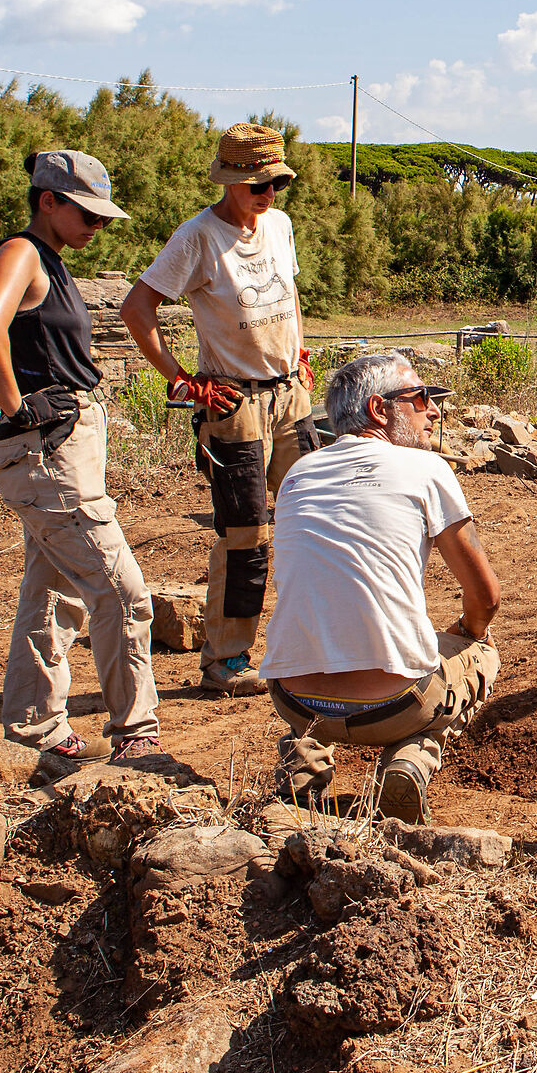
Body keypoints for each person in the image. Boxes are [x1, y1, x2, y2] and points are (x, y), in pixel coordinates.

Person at [0, 150, 161, 762]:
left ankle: (36, 730)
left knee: (54, 592)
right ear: (47, 201)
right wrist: (17, 408)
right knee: (122, 592)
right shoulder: (21, 253)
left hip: (63, 445)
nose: (96, 227)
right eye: (87, 215)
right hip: (48, 449)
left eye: (103, 218)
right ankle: (136, 735)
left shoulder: (50, 259)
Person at [120, 123, 317, 696]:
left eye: (277, 183)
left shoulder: (279, 225)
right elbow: (137, 309)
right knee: (246, 533)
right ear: (231, 181)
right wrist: (183, 380)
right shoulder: (197, 237)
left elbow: (289, 293)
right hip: (234, 402)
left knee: (317, 512)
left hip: (290, 393)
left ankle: (315, 642)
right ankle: (226, 660)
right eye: (259, 184)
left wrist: (299, 349)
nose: (269, 193)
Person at [261, 352, 501, 821]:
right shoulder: (426, 469)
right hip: (396, 707)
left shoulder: (296, 475)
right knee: (483, 654)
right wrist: (470, 632)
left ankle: (303, 762)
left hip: (294, 701)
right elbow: (487, 597)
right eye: (421, 398)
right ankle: (412, 758)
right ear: (378, 409)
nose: (434, 410)